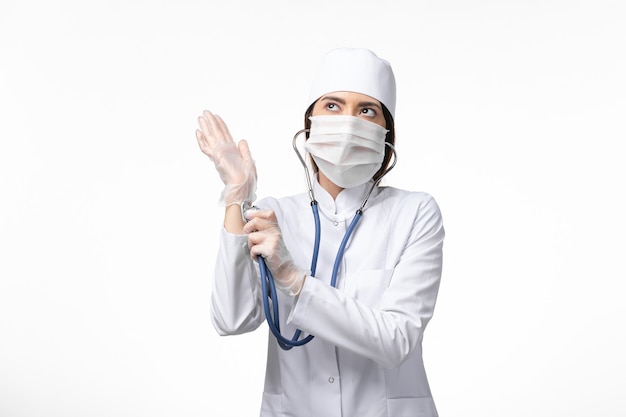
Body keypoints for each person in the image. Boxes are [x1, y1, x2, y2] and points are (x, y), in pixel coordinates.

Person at [196, 48, 445, 417]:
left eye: (366, 111)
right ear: (309, 124)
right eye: (332, 105)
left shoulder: (415, 212)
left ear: (385, 135)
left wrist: (295, 280)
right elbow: (231, 319)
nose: (348, 122)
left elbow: (397, 340)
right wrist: (237, 195)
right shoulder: (275, 214)